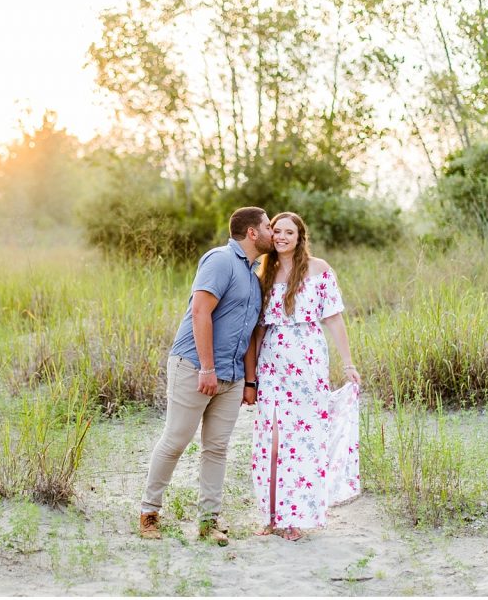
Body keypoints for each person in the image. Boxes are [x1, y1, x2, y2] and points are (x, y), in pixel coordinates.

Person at [139, 207, 274, 546]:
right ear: (253, 233)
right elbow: (200, 311)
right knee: (176, 440)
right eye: (269, 226)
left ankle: (208, 521)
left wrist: (249, 381)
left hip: (232, 377)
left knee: (217, 448)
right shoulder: (220, 260)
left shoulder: (254, 277)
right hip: (194, 366)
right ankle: (149, 512)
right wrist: (207, 368)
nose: (274, 232)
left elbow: (248, 332)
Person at [250, 211, 361, 541]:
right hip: (271, 364)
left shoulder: (319, 270)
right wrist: (252, 376)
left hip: (308, 362)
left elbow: (335, 320)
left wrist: (348, 364)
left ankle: (294, 517)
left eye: (289, 232)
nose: (282, 236)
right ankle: (272, 516)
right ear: (270, 236)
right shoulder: (263, 273)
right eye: (277, 231)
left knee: (301, 441)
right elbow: (257, 330)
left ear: (300, 237)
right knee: (271, 442)